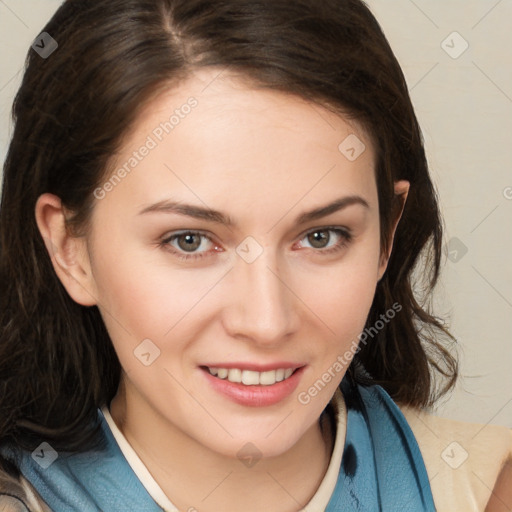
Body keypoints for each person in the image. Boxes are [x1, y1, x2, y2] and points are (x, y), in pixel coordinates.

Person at [0, 0, 510, 510]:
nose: (266, 322)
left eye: (321, 236)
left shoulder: (488, 488)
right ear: (71, 250)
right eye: (189, 241)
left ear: (387, 233)